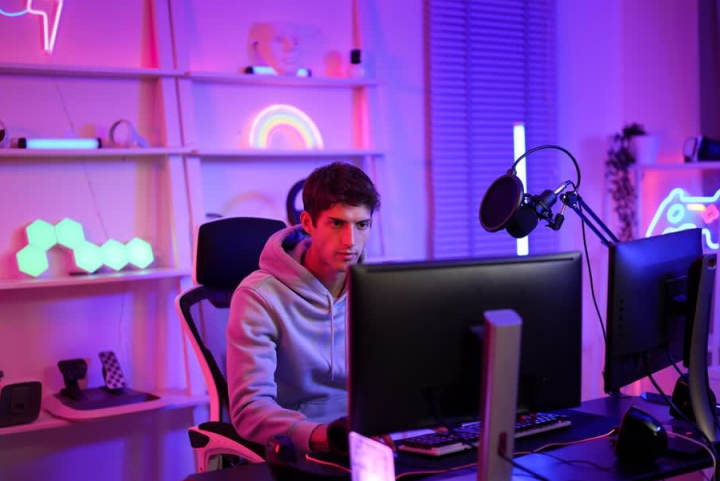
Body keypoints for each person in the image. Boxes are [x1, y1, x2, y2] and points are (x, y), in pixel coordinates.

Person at [226, 162, 380, 454]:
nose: (350, 242)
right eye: (336, 223)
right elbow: (249, 410)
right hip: (299, 448)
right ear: (308, 223)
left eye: (362, 225)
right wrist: (324, 436)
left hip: (369, 441)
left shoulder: (378, 288)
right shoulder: (258, 296)